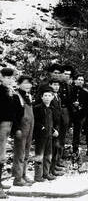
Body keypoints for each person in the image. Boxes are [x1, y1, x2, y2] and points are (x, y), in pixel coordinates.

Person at [0, 68, 20, 198]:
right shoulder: (1, 91)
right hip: (1, 124)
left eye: (11, 77)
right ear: (1, 77)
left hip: (7, 125)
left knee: (2, 155)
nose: (9, 80)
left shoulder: (11, 92)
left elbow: (15, 111)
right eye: (6, 77)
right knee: (0, 155)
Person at [12, 75, 35, 187]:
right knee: (19, 153)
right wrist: (16, 129)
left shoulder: (29, 96)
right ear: (19, 84)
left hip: (30, 127)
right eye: (25, 83)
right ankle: (17, 178)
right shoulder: (16, 97)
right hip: (21, 128)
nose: (28, 85)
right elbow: (14, 115)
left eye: (29, 83)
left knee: (26, 153)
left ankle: (24, 174)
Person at [33, 87, 58, 182]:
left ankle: (46, 173)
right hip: (40, 136)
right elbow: (35, 121)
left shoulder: (51, 109)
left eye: (49, 96)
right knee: (39, 155)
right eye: (45, 96)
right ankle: (38, 176)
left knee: (48, 155)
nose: (47, 97)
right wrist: (41, 128)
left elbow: (51, 123)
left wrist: (53, 131)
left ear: (52, 97)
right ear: (42, 97)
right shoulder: (37, 108)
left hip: (49, 136)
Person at [71, 74, 88, 156]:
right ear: (75, 81)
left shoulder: (85, 93)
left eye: (82, 80)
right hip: (72, 114)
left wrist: (81, 106)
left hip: (82, 115)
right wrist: (73, 104)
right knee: (75, 132)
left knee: (87, 131)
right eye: (78, 79)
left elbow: (87, 105)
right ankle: (74, 150)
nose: (80, 81)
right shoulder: (71, 90)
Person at [48, 79, 64, 177]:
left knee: (56, 147)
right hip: (51, 124)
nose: (57, 87)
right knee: (51, 148)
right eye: (54, 85)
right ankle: (49, 170)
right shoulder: (49, 97)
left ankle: (53, 167)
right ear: (50, 85)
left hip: (58, 124)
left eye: (58, 85)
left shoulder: (58, 97)